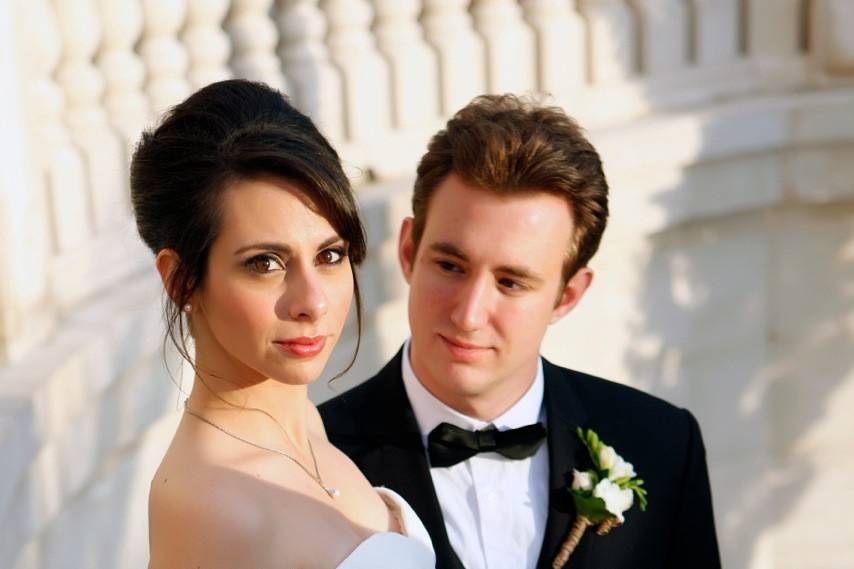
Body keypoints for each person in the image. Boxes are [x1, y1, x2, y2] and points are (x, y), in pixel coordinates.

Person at [319, 94, 721, 569]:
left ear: (567, 296)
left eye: (510, 282)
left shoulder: (662, 445)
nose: (468, 314)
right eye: (450, 265)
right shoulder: (314, 461)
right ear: (408, 251)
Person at [132, 79, 435, 569]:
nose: (312, 302)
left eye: (330, 255)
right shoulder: (212, 507)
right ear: (182, 280)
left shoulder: (306, 424)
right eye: (265, 263)